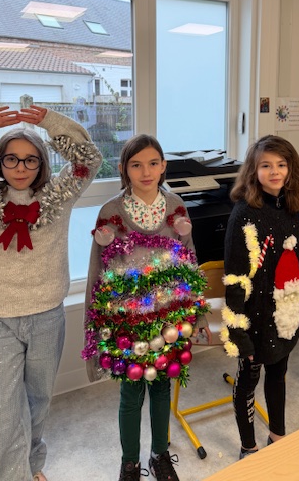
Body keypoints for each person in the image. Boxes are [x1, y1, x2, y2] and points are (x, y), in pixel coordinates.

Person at [0, 105, 102, 481]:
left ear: (42, 164)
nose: (20, 167)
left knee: (38, 399)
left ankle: (31, 463)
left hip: (48, 314)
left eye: (31, 159)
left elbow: (88, 157)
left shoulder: (59, 196)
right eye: (11, 158)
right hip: (1, 319)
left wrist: (49, 121)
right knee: (4, 408)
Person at [83, 134, 210, 481]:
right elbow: (97, 270)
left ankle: (159, 455)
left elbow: (190, 259)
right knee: (130, 393)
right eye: (136, 165)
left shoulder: (175, 205)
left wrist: (197, 312)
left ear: (164, 166)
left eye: (153, 163)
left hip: (169, 318)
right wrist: (92, 326)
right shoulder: (111, 212)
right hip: (127, 324)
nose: (146, 172)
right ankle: (130, 462)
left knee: (161, 387)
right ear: (124, 169)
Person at [220, 135, 299, 460]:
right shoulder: (244, 215)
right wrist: (237, 331)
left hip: (285, 313)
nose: (274, 172)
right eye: (266, 165)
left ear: (291, 169)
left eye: (281, 165)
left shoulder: (295, 210)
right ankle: (248, 446)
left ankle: (278, 434)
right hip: (254, 318)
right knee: (249, 379)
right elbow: (235, 280)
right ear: (253, 170)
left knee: (278, 373)